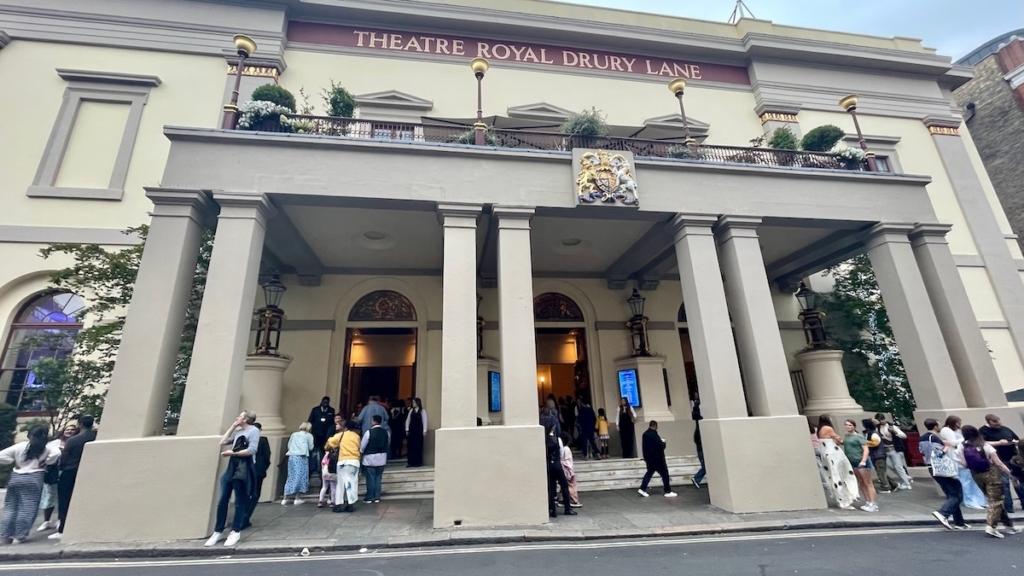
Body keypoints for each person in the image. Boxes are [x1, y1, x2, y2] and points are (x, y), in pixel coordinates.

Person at [205, 411, 260, 547]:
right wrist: (232, 427)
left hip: (244, 467)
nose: (237, 417)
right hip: (232, 466)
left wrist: (233, 453)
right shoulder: (238, 432)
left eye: (240, 416)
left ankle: (236, 531)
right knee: (223, 499)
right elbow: (222, 442)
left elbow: (252, 450)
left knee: (240, 501)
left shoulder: (254, 431)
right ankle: (218, 531)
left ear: (246, 419)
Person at [0, 425, 60, 544]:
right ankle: (19, 536)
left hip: (16, 477)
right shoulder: (48, 448)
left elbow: (2, 456)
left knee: (10, 508)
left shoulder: (20, 446)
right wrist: (46, 462)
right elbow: (56, 455)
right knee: (27, 509)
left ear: (29, 435)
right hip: (34, 478)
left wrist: (12, 462)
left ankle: (5, 536)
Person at [961, 424, 1021, 538]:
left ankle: (1009, 526)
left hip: (976, 475)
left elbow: (963, 464)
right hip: (991, 474)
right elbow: (998, 463)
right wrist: (1011, 474)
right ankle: (991, 527)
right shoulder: (985, 445)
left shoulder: (962, 446)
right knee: (996, 501)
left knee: (994, 501)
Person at [52, 414, 97, 539]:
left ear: (80, 424)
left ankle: (62, 528)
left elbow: (64, 457)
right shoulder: (95, 438)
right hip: (88, 471)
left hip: (70, 471)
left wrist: (60, 468)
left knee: (65, 500)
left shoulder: (73, 440)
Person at [919, 418, 966, 530]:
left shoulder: (922, 437)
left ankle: (959, 522)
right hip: (941, 468)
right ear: (935, 426)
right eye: (938, 424)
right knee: (957, 493)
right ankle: (943, 513)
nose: (940, 426)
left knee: (951, 493)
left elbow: (921, 451)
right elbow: (939, 454)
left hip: (932, 468)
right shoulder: (933, 438)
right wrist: (946, 447)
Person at [979, 413, 1024, 513]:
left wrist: (1012, 441)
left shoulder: (1005, 429)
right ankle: (1009, 507)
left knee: (1018, 482)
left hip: (1012, 458)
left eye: (999, 421)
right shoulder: (983, 431)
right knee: (1005, 484)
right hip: (999, 460)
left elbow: (1016, 439)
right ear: (988, 422)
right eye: (995, 422)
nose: (998, 424)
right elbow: (982, 443)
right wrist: (999, 443)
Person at [37, 423, 77, 533]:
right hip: (53, 473)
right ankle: (46, 521)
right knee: (49, 496)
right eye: (67, 429)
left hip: (67, 472)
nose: (69, 431)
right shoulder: (53, 444)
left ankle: (61, 519)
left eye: (72, 429)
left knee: (63, 498)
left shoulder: (75, 443)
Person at [941, 415, 986, 509]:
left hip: (961, 455)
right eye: (958, 422)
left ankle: (978, 500)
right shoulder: (946, 430)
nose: (959, 424)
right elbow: (953, 443)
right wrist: (964, 439)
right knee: (965, 480)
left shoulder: (957, 430)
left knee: (969, 479)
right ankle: (969, 500)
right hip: (955, 457)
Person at [816, 415, 858, 510]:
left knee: (832, 475)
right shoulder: (828, 428)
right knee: (840, 474)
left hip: (825, 453)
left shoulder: (819, 429)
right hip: (833, 453)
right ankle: (844, 500)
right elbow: (838, 439)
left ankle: (840, 498)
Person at [843, 419, 877, 512]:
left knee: (868, 482)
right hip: (852, 461)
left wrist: (863, 460)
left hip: (861, 461)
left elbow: (866, 449)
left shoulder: (859, 436)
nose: (848, 426)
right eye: (846, 425)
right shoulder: (846, 437)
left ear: (854, 426)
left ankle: (873, 503)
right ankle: (867, 501)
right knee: (861, 482)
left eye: (850, 425)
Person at [638, 421, 678, 498]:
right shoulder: (654, 435)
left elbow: (645, 447)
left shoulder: (645, 434)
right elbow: (660, 446)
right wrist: (663, 442)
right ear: (655, 426)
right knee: (665, 474)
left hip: (649, 459)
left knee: (649, 473)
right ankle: (667, 491)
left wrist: (646, 458)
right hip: (658, 459)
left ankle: (642, 488)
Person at [544, 425, 575, 518]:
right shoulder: (558, 439)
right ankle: (567, 508)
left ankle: (552, 509)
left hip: (549, 465)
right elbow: (561, 453)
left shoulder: (545, 440)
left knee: (551, 488)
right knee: (564, 486)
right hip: (557, 464)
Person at [875, 413, 912, 491]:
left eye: (883, 419)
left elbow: (904, 436)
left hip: (894, 449)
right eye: (880, 420)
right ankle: (906, 477)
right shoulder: (877, 428)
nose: (882, 421)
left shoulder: (891, 426)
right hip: (885, 450)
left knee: (898, 467)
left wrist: (895, 432)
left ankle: (907, 483)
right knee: (890, 466)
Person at [332, 420, 362, 513]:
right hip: (354, 461)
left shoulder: (341, 435)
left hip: (343, 461)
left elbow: (330, 442)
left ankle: (339, 505)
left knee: (340, 484)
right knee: (352, 483)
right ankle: (350, 504)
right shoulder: (357, 436)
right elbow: (359, 448)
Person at [282, 422, 315, 505]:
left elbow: (289, 445)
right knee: (300, 477)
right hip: (302, 457)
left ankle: (285, 498)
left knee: (291, 476)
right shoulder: (309, 436)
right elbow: (311, 447)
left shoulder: (294, 434)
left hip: (292, 457)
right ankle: (297, 498)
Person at [862, 419, 897, 494]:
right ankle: (893, 484)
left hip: (878, 455)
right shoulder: (871, 433)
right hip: (877, 455)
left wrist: (865, 442)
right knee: (882, 471)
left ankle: (886, 487)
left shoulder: (873, 434)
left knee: (881, 472)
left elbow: (875, 443)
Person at [361, 415, 389, 503]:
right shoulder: (386, 432)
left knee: (370, 478)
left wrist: (361, 452)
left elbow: (362, 446)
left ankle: (370, 497)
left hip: (370, 458)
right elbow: (388, 443)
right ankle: (377, 497)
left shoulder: (369, 432)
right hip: (382, 457)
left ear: (373, 421)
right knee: (378, 478)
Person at [248, 422, 272, 523]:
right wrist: (264, 467)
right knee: (255, 493)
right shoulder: (263, 440)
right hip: (258, 470)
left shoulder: (247, 439)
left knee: (247, 493)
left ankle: (244, 515)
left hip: (248, 469)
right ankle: (246, 516)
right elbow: (267, 456)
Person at [307, 397, 336, 477]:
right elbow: (310, 420)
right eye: (324, 401)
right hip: (315, 435)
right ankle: (312, 469)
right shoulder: (315, 410)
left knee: (325, 454)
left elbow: (332, 424)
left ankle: (323, 470)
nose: (325, 403)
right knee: (314, 453)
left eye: (327, 402)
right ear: (322, 401)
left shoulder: (331, 410)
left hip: (325, 436)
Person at [560, 433, 582, 508]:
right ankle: (567, 499)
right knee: (569, 485)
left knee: (570, 486)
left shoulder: (565, 449)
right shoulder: (566, 449)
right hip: (569, 470)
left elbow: (565, 461)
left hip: (568, 470)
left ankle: (574, 500)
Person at [318, 435, 339, 508]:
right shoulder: (333, 455)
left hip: (324, 473)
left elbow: (322, 464)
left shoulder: (324, 456)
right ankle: (333, 502)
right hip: (332, 472)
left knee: (324, 487)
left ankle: (320, 501)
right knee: (333, 488)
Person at [406, 397, 427, 468]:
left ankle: (418, 462)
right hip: (412, 431)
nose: (413, 404)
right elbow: (408, 420)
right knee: (411, 446)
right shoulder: (411, 411)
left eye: (414, 402)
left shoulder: (422, 411)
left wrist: (424, 430)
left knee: (418, 446)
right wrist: (407, 429)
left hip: (419, 431)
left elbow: (425, 421)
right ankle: (410, 462)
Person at [691, 398, 706, 489]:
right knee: (706, 466)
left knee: (705, 466)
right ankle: (696, 478)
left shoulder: (699, 427)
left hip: (700, 446)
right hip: (701, 448)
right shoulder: (700, 427)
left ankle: (697, 479)